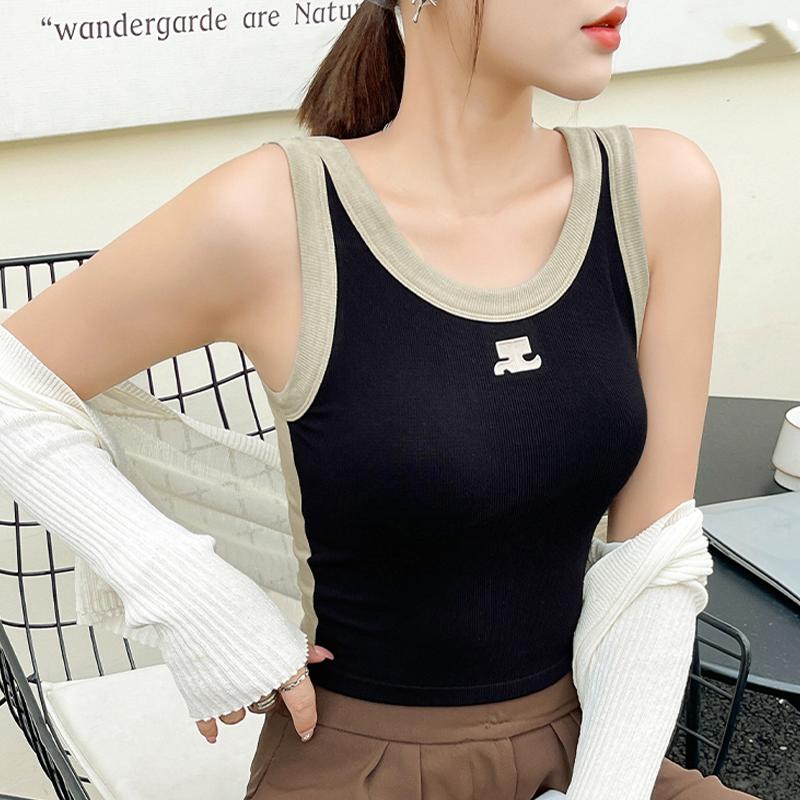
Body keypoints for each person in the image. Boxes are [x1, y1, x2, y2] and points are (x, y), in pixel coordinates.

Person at [0, 0, 766, 798]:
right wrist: (188, 596)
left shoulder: (661, 189)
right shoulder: (272, 212)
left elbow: (653, 557)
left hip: (593, 749)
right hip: (363, 767)